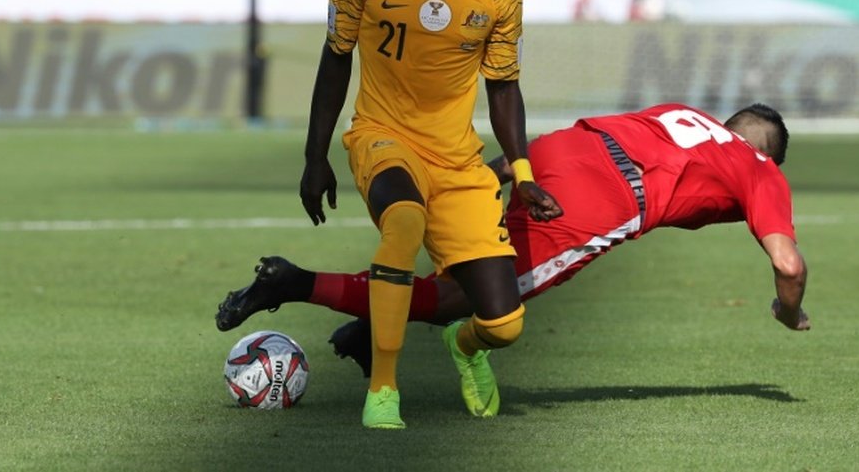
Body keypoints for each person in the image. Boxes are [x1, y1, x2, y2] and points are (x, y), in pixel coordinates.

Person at [271, 0, 562, 429]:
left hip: (457, 161)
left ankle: (467, 345)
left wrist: (523, 175)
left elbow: (504, 89)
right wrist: (315, 155)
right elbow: (336, 61)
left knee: (505, 325)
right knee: (402, 223)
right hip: (382, 137)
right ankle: (383, 388)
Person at [218, 102, 810, 378]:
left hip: (561, 149)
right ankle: (296, 283)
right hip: (598, 201)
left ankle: (369, 331)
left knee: (462, 257)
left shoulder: (688, 117)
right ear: (767, 155)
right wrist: (788, 311)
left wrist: (507, 173)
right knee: (465, 301)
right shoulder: (759, 168)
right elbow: (787, 262)